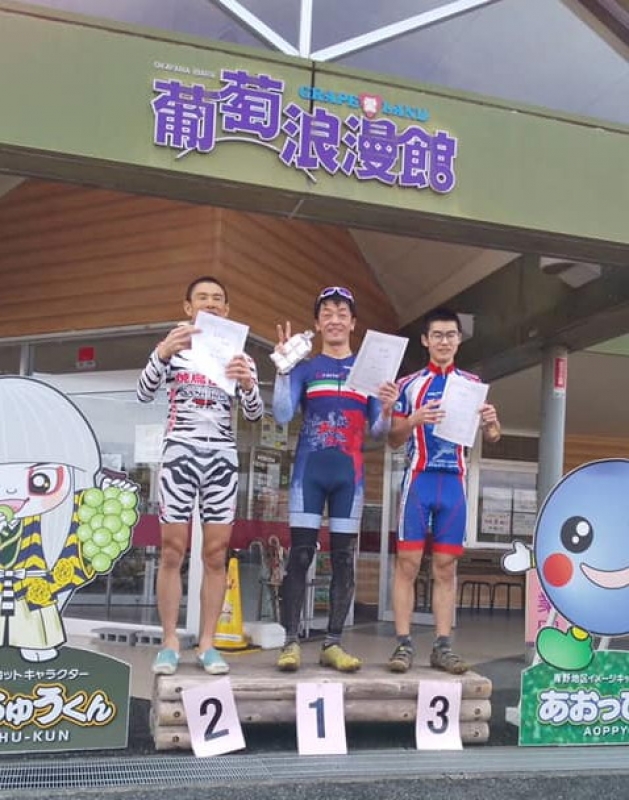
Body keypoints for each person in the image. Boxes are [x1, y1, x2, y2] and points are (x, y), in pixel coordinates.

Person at [137, 276, 263, 676]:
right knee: (172, 550)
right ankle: (169, 641)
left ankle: (208, 643)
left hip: (222, 455)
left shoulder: (240, 355)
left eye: (218, 298)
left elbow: (255, 415)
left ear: (226, 310)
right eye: (202, 298)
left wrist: (247, 383)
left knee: (215, 553)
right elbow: (143, 393)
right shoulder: (174, 347)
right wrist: (161, 353)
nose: (211, 303)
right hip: (179, 450)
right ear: (189, 307)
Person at [273, 286, 398, 673]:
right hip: (308, 474)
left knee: (344, 559)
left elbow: (378, 432)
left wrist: (388, 408)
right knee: (300, 555)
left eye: (342, 313)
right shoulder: (306, 368)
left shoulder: (369, 372)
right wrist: (282, 370)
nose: (335, 319)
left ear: (353, 323)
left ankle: (333, 643)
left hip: (350, 476)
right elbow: (281, 414)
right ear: (317, 323)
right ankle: (290, 642)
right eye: (327, 313)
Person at [387, 307, 501, 675]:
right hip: (418, 481)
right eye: (437, 335)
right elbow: (392, 439)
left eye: (450, 335)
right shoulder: (409, 384)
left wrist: (492, 425)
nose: (444, 341)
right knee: (407, 564)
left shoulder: (472, 384)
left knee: (446, 568)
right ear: (425, 340)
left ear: (459, 340)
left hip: (454, 483)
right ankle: (403, 644)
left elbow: (492, 436)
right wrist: (413, 419)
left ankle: (442, 645)